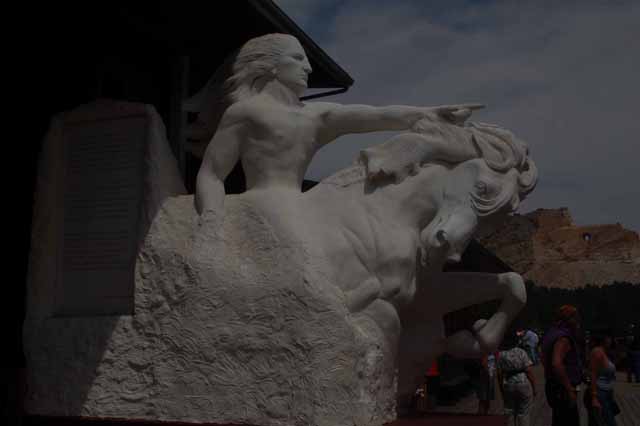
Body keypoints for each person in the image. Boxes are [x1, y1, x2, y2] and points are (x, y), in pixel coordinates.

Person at [183, 33, 483, 215]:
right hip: (262, 206)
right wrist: (212, 220)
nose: (309, 67)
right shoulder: (246, 112)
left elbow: (378, 114)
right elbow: (211, 175)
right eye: (298, 59)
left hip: (299, 205)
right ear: (272, 66)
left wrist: (432, 113)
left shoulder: (316, 115)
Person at [541, 305, 583, 426]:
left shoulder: (551, 333)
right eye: (576, 318)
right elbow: (556, 363)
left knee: (559, 420)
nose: (578, 321)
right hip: (563, 389)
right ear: (569, 319)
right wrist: (569, 389)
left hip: (553, 385)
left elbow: (544, 359)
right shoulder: (563, 338)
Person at [497, 332, 537, 426]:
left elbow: (499, 374)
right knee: (524, 412)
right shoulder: (521, 352)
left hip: (509, 383)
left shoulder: (501, 354)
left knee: (509, 410)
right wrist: (534, 387)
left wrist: (501, 389)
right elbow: (529, 371)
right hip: (523, 383)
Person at [585, 330, 620, 426]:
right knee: (609, 423)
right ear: (603, 339)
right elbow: (592, 374)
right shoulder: (597, 352)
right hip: (600, 393)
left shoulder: (605, 352)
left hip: (607, 393)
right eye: (609, 338)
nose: (611, 340)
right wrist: (594, 397)